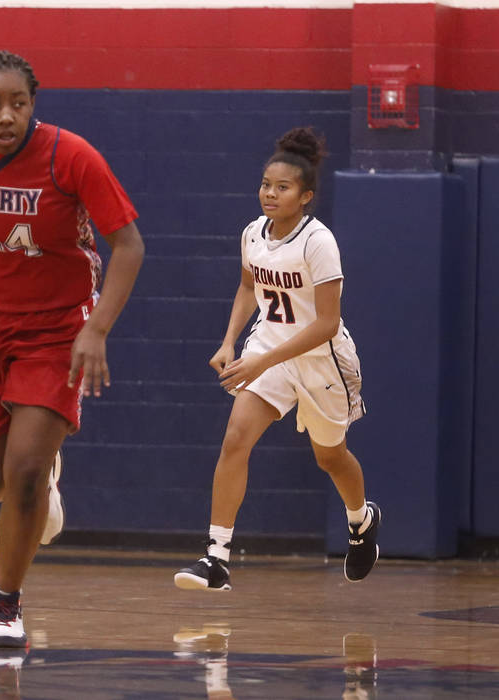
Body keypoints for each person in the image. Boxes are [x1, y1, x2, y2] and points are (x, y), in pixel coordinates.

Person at [0, 50, 144, 649]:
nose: (6, 115)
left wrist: (97, 329)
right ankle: (39, 479)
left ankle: (4, 603)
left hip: (56, 329)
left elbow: (130, 245)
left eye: (18, 103)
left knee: (26, 471)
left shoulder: (72, 156)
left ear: (33, 104)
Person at [173, 127, 379, 592]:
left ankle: (362, 521)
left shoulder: (318, 242)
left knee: (330, 457)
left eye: (282, 187)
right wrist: (230, 342)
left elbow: (326, 323)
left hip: (322, 359)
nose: (270, 193)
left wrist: (264, 362)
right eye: (266, 184)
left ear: (305, 196)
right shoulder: (252, 233)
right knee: (235, 439)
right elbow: (249, 287)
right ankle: (216, 558)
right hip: (269, 348)